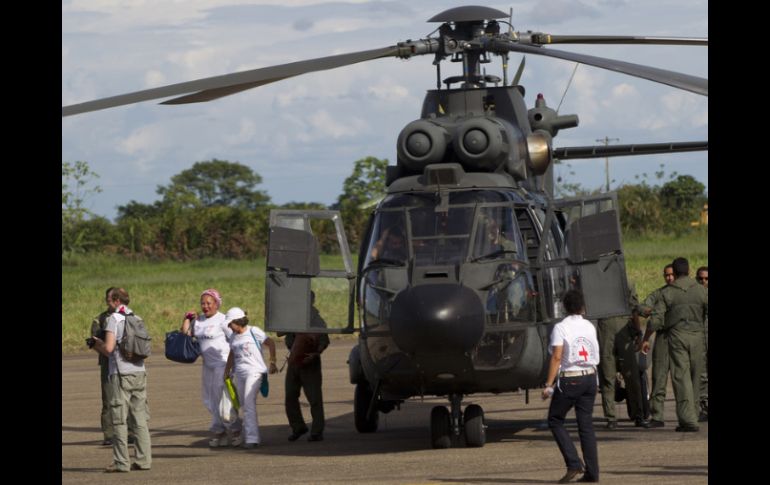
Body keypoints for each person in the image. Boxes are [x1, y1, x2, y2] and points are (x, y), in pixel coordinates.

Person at [90, 288, 152, 472]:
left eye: (109, 300)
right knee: (140, 419)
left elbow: (109, 350)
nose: (108, 304)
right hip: (139, 372)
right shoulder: (137, 318)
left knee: (119, 420)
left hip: (120, 374)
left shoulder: (114, 319)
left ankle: (121, 462)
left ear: (116, 301)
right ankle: (144, 460)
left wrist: (95, 345)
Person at [542, 289, 600, 483]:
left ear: (565, 307)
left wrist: (549, 385)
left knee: (555, 419)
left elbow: (557, 356)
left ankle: (573, 463)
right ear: (582, 306)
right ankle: (593, 472)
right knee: (586, 425)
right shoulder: (590, 326)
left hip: (571, 379)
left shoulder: (561, 327)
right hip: (590, 378)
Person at [649, 257, 708, 432]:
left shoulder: (667, 292)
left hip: (677, 337)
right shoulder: (701, 290)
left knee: (681, 377)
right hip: (698, 337)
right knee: (696, 376)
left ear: (673, 273)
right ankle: (695, 413)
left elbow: (655, 321)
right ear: (689, 271)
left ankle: (688, 420)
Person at [181, 288, 242, 447]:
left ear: (217, 304)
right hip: (208, 366)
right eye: (203, 303)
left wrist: (233, 366)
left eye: (209, 303)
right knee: (210, 401)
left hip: (223, 365)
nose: (205, 306)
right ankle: (219, 432)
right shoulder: (199, 321)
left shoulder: (223, 321)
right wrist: (187, 319)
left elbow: (236, 340)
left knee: (224, 402)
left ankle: (235, 432)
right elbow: (186, 336)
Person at [223, 307, 278, 449]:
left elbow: (270, 343)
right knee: (243, 404)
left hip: (255, 372)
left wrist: (272, 362)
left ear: (238, 321)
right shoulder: (233, 336)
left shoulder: (254, 331)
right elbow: (232, 353)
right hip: (239, 374)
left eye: (231, 323)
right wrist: (227, 370)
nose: (229, 326)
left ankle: (252, 438)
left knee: (248, 403)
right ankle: (249, 436)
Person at [596, 283, 649, 429]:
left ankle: (633, 415)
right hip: (608, 326)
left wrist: (638, 333)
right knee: (610, 376)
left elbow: (634, 310)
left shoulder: (624, 282)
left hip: (617, 327)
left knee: (628, 375)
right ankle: (614, 417)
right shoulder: (598, 281)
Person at [283, 291, 330, 442]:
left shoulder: (316, 320)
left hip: (310, 363)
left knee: (314, 398)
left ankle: (317, 431)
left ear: (311, 301)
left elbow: (324, 340)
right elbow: (282, 333)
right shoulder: (293, 317)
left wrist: (315, 354)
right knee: (290, 396)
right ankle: (298, 427)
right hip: (294, 362)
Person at [639, 264, 675, 428]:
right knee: (659, 376)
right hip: (663, 336)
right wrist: (650, 311)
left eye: (672, 275)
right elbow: (642, 306)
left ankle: (689, 414)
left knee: (683, 379)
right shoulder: (659, 293)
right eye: (666, 275)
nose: (669, 278)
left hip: (681, 336)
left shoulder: (686, 293)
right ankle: (657, 415)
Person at [90, 287, 116, 446]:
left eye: (113, 299)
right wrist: (107, 352)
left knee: (128, 398)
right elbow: (92, 340)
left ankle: (131, 432)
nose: (111, 302)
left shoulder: (128, 317)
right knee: (108, 399)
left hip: (126, 364)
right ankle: (109, 434)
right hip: (107, 363)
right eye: (109, 300)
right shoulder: (100, 319)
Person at [695, 265, 708, 421]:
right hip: (699, 338)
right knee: (702, 373)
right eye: (700, 278)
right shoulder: (693, 295)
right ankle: (705, 405)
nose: (703, 281)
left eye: (706, 279)